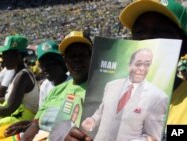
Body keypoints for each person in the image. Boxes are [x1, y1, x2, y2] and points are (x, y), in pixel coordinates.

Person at [65, 0, 187, 140]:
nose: (146, 37)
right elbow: (100, 113)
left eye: (162, 31)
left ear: (184, 46)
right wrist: (81, 133)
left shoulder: (162, 97)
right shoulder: (111, 86)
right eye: (139, 31)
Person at [81, 48, 168, 141]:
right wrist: (93, 120)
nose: (142, 69)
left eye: (147, 64)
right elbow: (101, 111)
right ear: (129, 65)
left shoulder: (158, 97)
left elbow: (153, 136)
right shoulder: (111, 85)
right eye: (138, 64)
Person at [22, 31, 92, 141]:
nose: (77, 59)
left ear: (92, 57)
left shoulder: (100, 90)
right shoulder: (56, 90)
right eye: (72, 56)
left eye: (82, 55)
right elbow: (35, 123)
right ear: (65, 61)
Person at [3, 40, 71, 138]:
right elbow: (41, 118)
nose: (45, 68)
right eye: (42, 64)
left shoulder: (72, 84)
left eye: (50, 63)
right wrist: (24, 125)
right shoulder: (45, 85)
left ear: (61, 63)